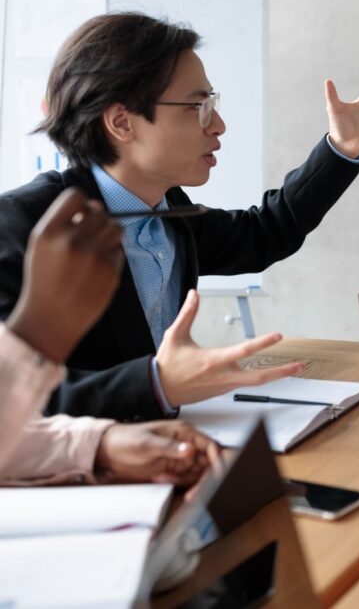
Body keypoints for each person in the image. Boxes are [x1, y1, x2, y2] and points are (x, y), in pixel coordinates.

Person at [0, 12, 359, 422]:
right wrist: (155, 384)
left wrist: (341, 148)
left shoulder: (168, 210)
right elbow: (17, 399)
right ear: (122, 123)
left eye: (213, 103)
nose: (219, 124)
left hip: (163, 446)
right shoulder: (22, 227)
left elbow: (265, 233)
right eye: (197, 106)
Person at [1, 188, 217, 486]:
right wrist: (39, 331)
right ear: (123, 135)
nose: (219, 136)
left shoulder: (177, 210)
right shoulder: (21, 215)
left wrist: (100, 446)